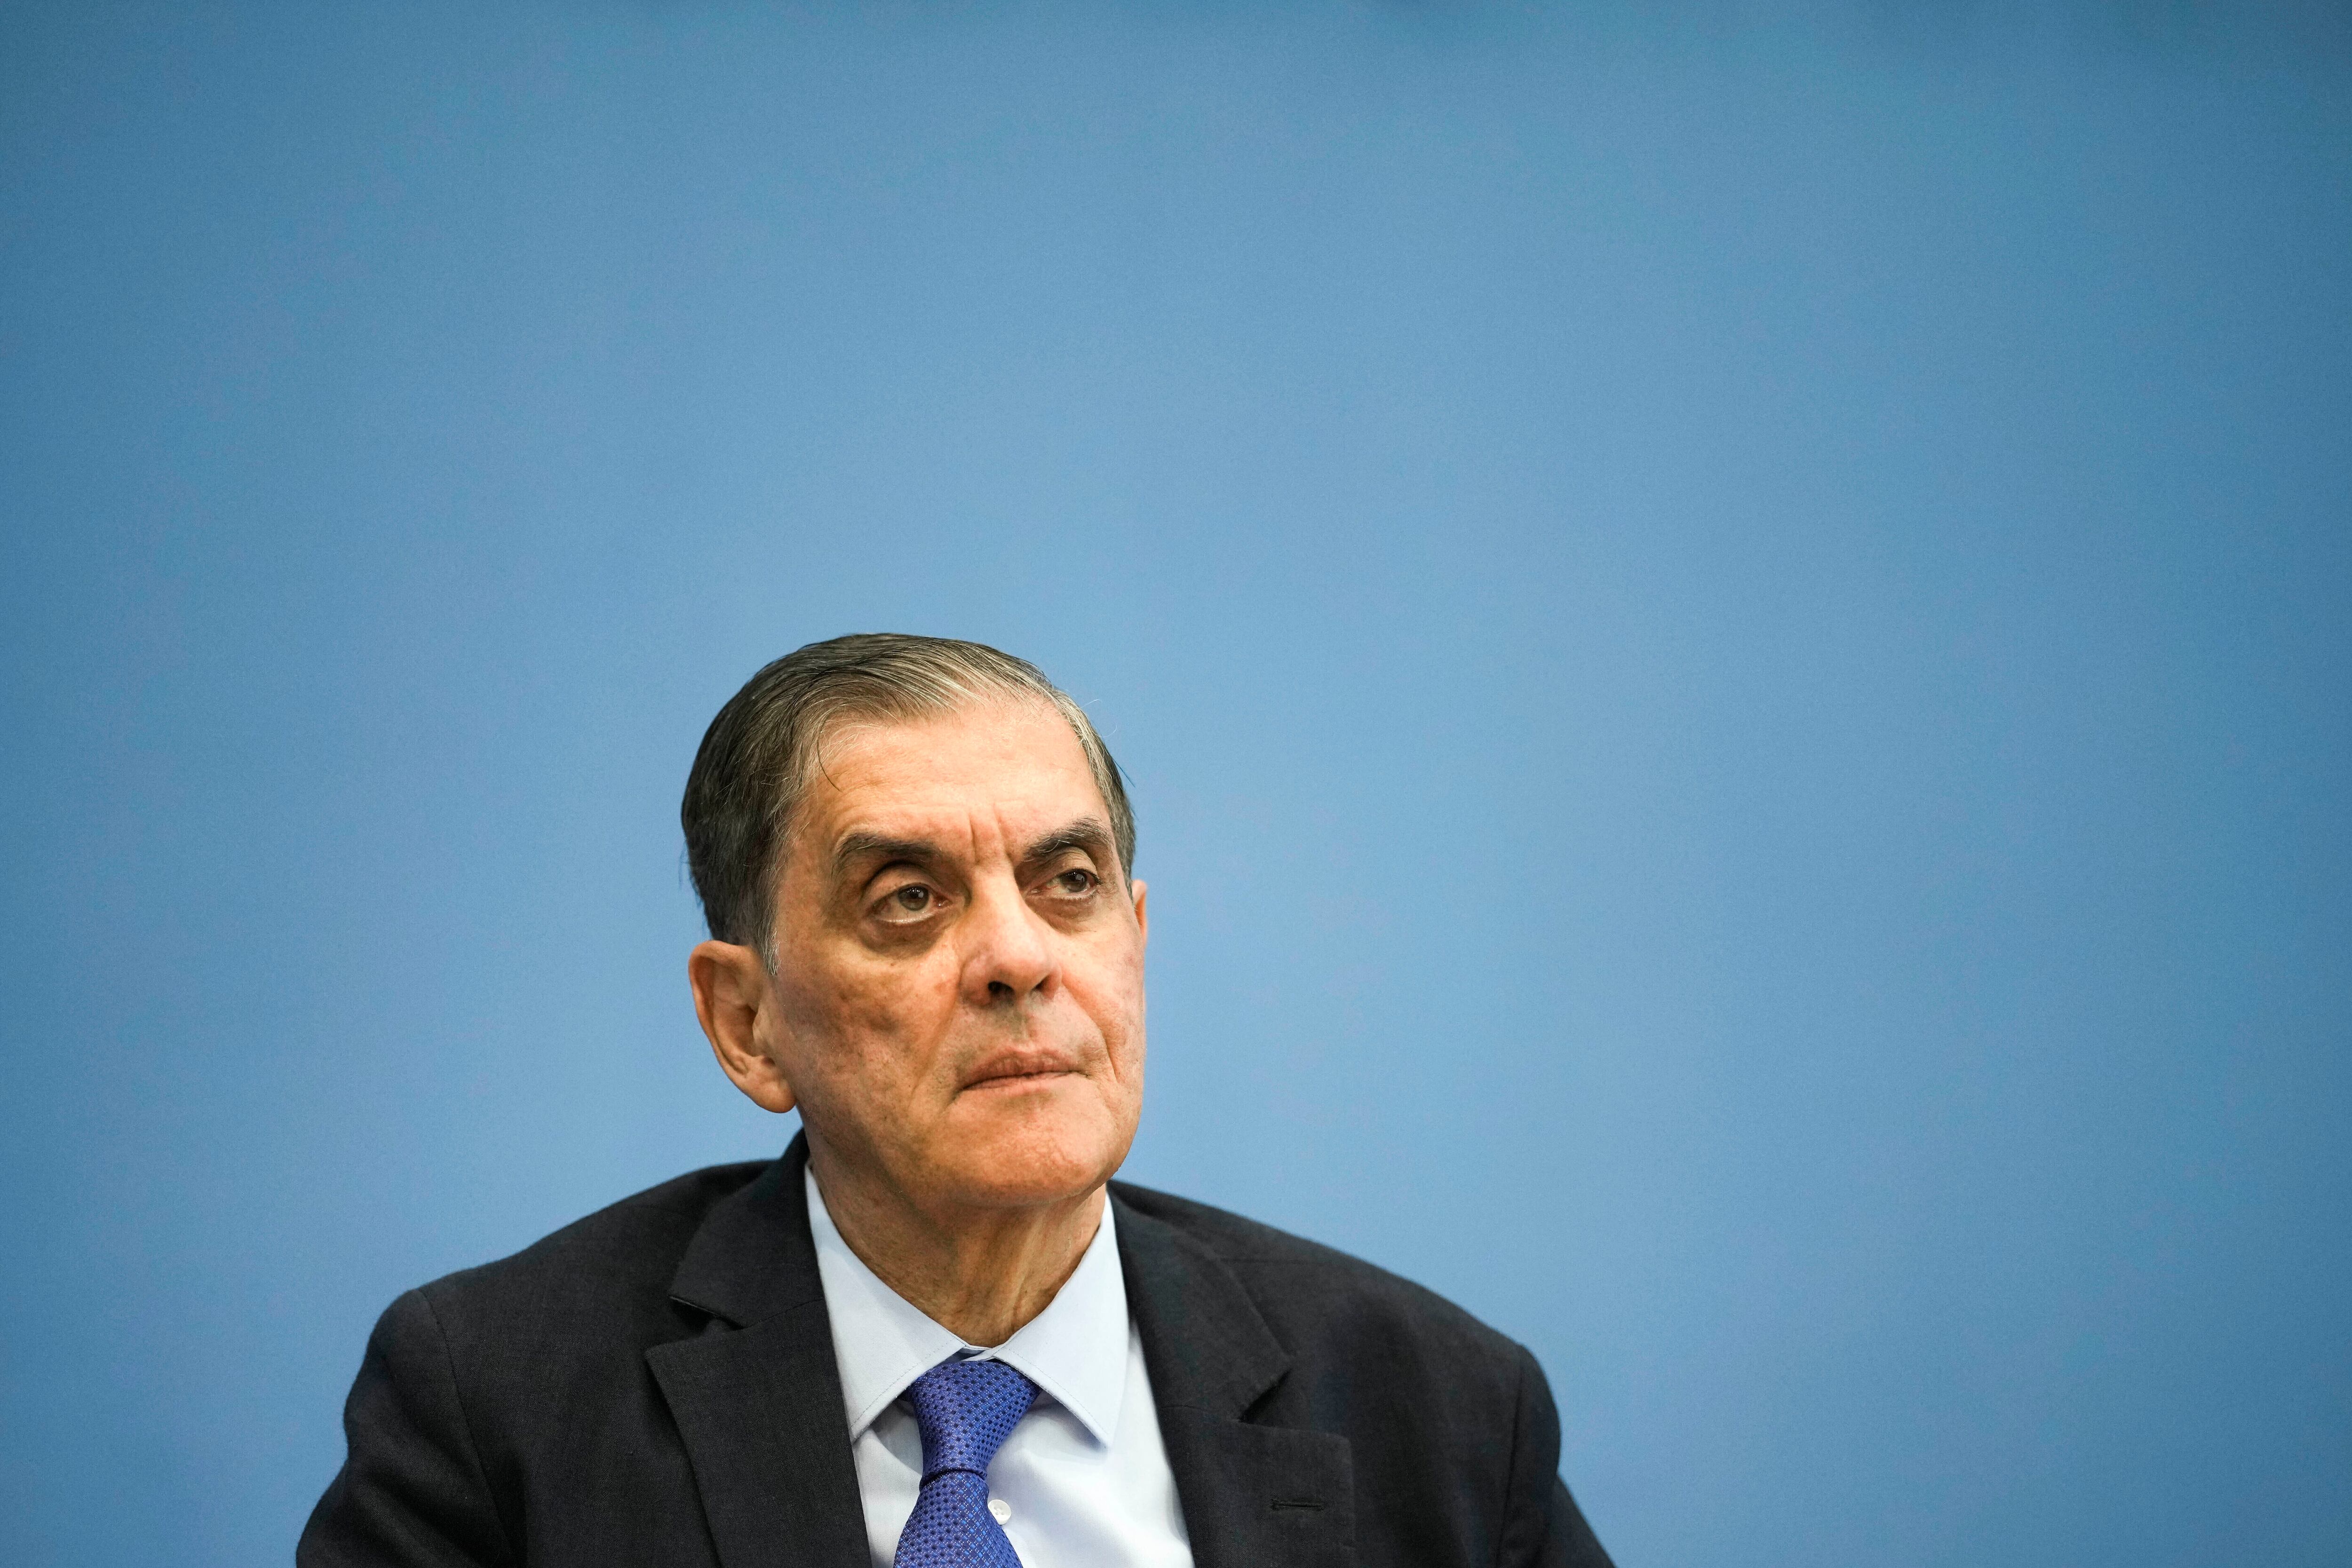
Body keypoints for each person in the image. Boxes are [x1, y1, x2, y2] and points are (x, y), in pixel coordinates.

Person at [300, 633, 1614, 1568]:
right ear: (747, 1024)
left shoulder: (1437, 1409)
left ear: (1135, 941)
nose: (1019, 958)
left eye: (1070, 884)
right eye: (909, 899)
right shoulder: (499, 1409)